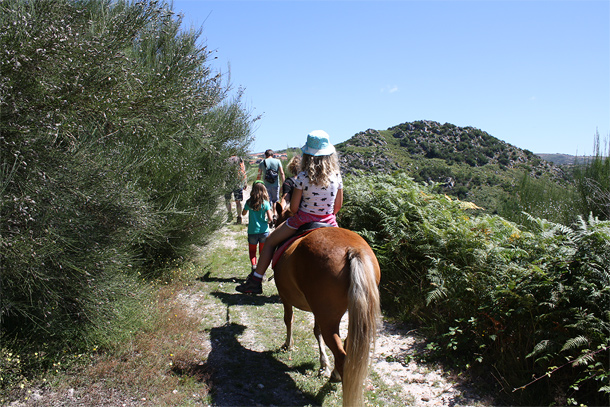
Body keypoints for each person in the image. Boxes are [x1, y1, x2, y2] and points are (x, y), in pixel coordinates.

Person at [237, 130, 343, 294]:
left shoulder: (302, 176)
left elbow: (293, 209)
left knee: (271, 240)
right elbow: (337, 207)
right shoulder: (337, 176)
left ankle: (256, 280)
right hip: (329, 221)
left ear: (307, 155)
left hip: (302, 220)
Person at [241, 181, 274, 288]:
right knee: (262, 253)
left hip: (252, 231)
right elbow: (270, 218)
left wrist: (246, 210)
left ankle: (254, 267)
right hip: (264, 231)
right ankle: (261, 273)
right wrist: (267, 222)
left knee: (252, 251)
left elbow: (243, 213)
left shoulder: (249, 202)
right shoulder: (265, 203)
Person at [257, 149, 285, 220]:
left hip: (265, 185)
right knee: (275, 200)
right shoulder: (278, 161)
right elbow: (282, 173)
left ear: (265, 155)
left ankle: (269, 217)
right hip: (276, 184)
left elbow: (259, 175)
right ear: (272, 155)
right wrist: (283, 184)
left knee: (267, 201)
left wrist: (258, 184)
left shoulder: (262, 162)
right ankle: (275, 214)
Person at [224, 155, 247, 224]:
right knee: (238, 201)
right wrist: (244, 182)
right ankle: (239, 217)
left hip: (229, 183)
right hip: (238, 183)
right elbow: (243, 171)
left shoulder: (227, 160)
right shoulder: (240, 160)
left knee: (228, 200)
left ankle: (230, 214)